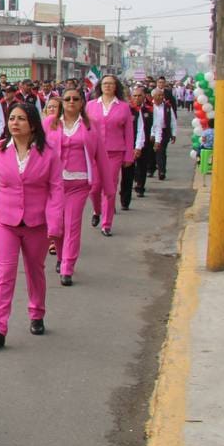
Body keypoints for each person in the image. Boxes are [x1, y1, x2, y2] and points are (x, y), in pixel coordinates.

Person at [0, 101, 64, 349]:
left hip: (37, 223)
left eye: (21, 119)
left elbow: (56, 191)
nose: (14, 123)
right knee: (5, 273)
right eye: (12, 118)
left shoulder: (48, 152)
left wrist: (55, 226)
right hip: (6, 221)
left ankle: (37, 313)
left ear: (33, 124)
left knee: (35, 270)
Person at [48, 86, 102, 287]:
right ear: (62, 102)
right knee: (58, 225)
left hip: (79, 183)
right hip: (55, 183)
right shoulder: (50, 124)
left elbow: (100, 157)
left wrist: (106, 186)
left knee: (72, 225)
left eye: (75, 99)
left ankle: (68, 267)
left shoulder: (90, 125)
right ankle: (61, 256)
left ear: (82, 103)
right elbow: (38, 150)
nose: (71, 102)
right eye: (67, 98)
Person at [90, 75, 137, 237]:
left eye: (111, 84)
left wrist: (128, 155)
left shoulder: (123, 107)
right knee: (94, 188)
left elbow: (129, 133)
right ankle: (97, 211)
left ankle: (106, 223)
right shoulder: (90, 106)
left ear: (116, 86)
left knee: (109, 189)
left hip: (114, 152)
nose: (108, 86)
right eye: (105, 84)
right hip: (94, 153)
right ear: (100, 86)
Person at [150, 87, 177, 181]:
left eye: (162, 95)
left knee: (161, 151)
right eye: (159, 95)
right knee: (151, 152)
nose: (161, 97)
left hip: (164, 132)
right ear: (153, 96)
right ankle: (151, 168)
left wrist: (173, 133)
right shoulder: (149, 106)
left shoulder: (167, 106)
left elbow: (173, 120)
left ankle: (162, 171)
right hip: (150, 133)